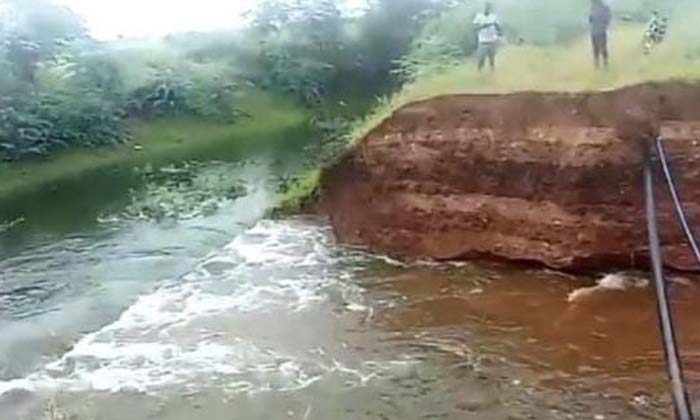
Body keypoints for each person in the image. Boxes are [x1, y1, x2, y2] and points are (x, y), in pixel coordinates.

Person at [473, 2, 502, 72]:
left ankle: (492, 72)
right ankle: (479, 71)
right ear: (484, 8)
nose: (487, 9)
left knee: (492, 58)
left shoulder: (494, 16)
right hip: (482, 41)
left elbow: (499, 28)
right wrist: (485, 25)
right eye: (486, 7)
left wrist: (498, 29)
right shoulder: (479, 16)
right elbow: (475, 27)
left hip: (492, 40)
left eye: (489, 7)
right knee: (481, 58)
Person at [589, 0, 612, 69]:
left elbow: (591, 19)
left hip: (598, 30)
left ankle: (602, 64)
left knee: (600, 48)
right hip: (597, 30)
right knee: (600, 48)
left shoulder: (601, 7)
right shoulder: (595, 7)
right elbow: (591, 19)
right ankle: (601, 64)